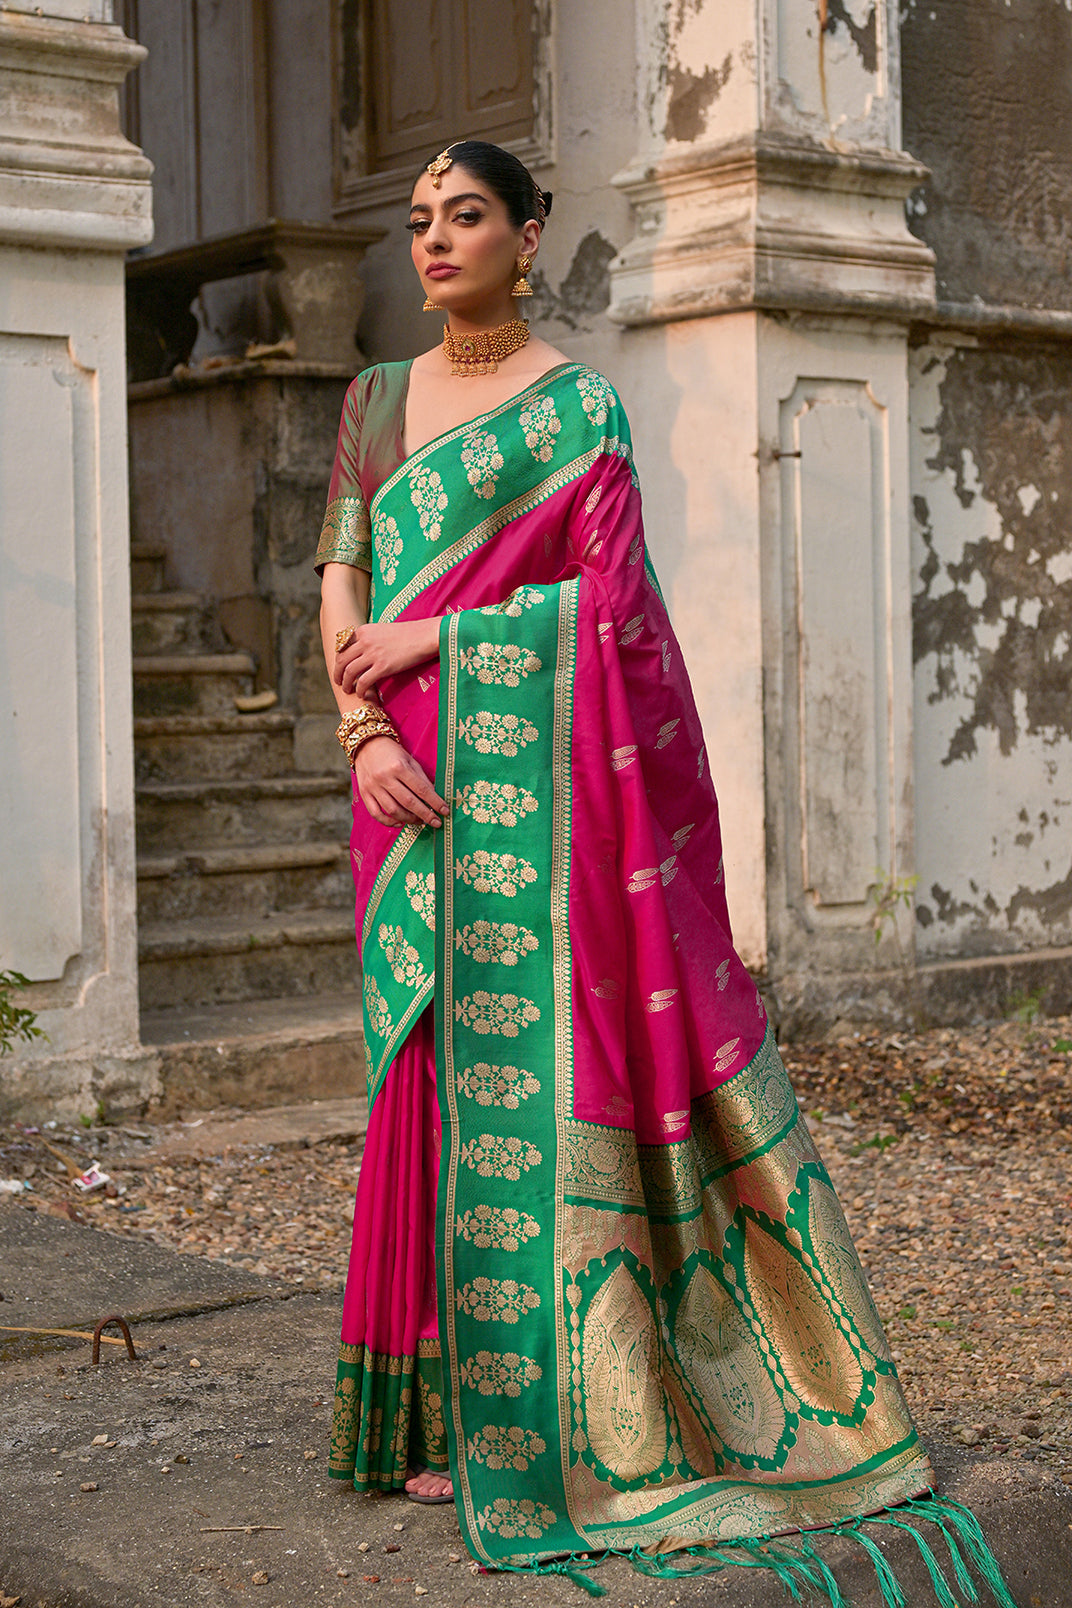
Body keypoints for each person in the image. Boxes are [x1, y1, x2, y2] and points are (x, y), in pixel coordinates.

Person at [315, 140, 1011, 1601]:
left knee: (539, 1071)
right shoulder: (375, 401)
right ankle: (423, 1406)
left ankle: (551, 1407)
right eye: (422, 221)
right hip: (409, 783)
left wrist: (441, 641)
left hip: (534, 791)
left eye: (468, 217)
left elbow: (615, 610)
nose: (437, 241)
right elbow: (344, 572)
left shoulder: (579, 409)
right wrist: (360, 728)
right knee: (424, 1068)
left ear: (530, 233)